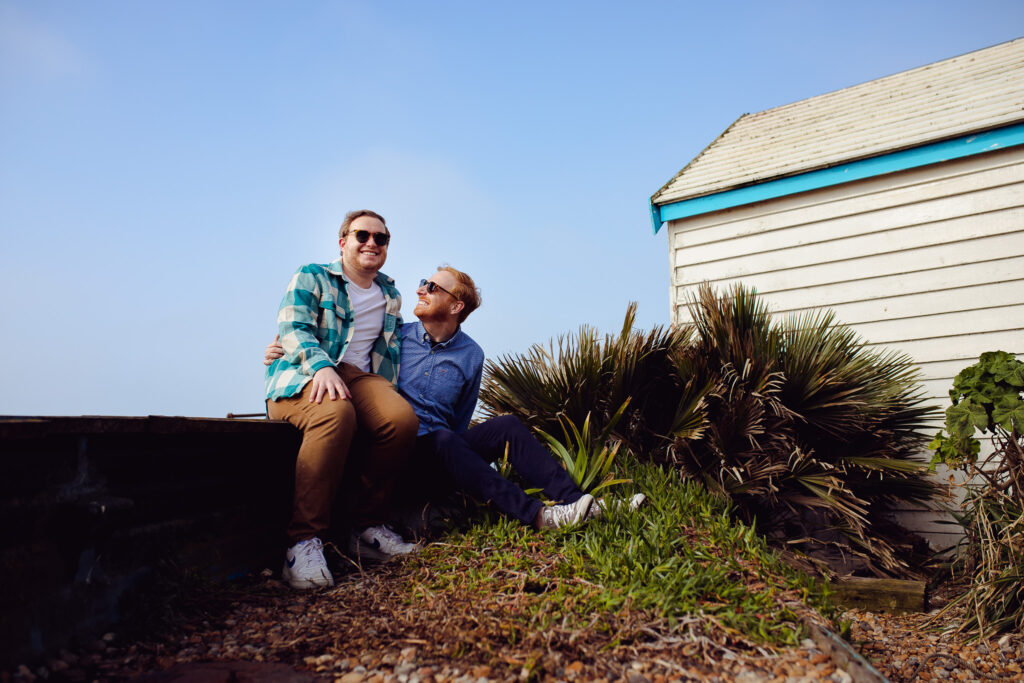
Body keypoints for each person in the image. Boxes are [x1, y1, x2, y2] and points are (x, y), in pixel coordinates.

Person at [268, 266, 643, 534]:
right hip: (396, 451)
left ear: (456, 306)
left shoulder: (471, 355)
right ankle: (538, 516)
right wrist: (280, 349)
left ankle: (580, 503)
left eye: (431, 287)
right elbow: (344, 344)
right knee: (443, 440)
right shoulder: (394, 336)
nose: (421, 290)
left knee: (504, 426)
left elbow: (460, 419)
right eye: (422, 283)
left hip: (442, 452)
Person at [265, 210, 419, 591]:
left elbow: (393, 348)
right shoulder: (312, 275)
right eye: (362, 235)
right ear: (343, 242)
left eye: (380, 238)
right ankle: (303, 542)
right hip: (302, 375)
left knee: (401, 421)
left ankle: (366, 529)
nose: (371, 243)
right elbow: (293, 326)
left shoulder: (390, 294)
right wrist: (319, 366)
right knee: (336, 415)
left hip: (360, 379)